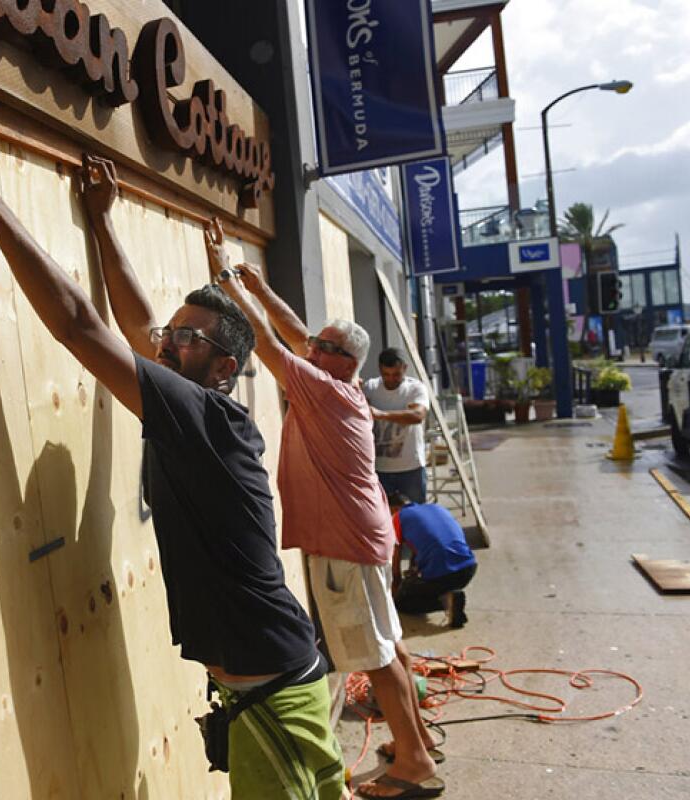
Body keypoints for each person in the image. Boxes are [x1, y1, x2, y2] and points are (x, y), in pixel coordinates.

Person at [0, 111, 345, 800]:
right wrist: (103, 223)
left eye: (189, 340)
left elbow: (85, 327)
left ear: (225, 366)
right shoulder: (195, 401)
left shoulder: (204, 416)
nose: (169, 343)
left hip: (275, 697)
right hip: (262, 690)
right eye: (173, 334)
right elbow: (142, 328)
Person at [205, 235, 443, 800]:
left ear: (341, 360)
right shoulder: (341, 381)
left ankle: (414, 766)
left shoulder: (324, 388)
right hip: (363, 535)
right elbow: (294, 333)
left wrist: (225, 279)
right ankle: (419, 741)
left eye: (322, 346)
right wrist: (260, 285)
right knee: (390, 643)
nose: (310, 348)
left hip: (343, 544)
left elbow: (267, 340)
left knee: (373, 654)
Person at [388, 494, 476, 629]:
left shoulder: (397, 518)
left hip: (443, 574)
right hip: (467, 569)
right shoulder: (435, 508)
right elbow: (425, 543)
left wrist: (396, 594)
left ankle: (445, 600)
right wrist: (415, 570)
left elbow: (396, 566)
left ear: (393, 509)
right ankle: (450, 596)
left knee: (403, 602)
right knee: (431, 582)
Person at [363, 349, 429, 505]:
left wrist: (381, 414)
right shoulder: (371, 387)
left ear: (405, 369)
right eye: (386, 374)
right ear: (380, 369)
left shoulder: (415, 388)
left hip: (411, 469)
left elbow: (418, 416)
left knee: (416, 517)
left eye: (396, 375)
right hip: (380, 469)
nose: (391, 379)